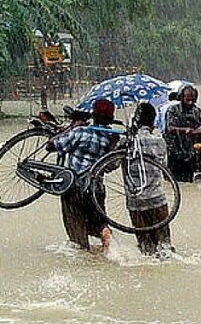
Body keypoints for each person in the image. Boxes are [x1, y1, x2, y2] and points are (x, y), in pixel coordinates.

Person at [48, 99, 118, 252]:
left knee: (78, 240)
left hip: (73, 189)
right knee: (100, 225)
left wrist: (70, 128)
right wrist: (113, 146)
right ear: (111, 119)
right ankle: (106, 240)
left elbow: (51, 146)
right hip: (95, 190)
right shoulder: (111, 138)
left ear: (92, 115)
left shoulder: (80, 132)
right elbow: (111, 166)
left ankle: (83, 258)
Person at [128, 102, 174, 256]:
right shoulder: (159, 140)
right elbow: (164, 166)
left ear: (136, 119)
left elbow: (110, 165)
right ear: (153, 121)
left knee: (146, 250)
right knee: (165, 246)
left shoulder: (126, 142)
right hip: (157, 199)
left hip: (135, 202)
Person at [164, 85, 201, 182]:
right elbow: (170, 128)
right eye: (187, 99)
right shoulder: (172, 110)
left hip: (193, 155)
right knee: (174, 181)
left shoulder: (200, 113)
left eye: (192, 99)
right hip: (175, 152)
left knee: (192, 182)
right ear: (181, 97)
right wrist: (184, 130)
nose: (190, 102)